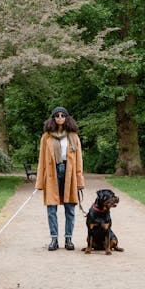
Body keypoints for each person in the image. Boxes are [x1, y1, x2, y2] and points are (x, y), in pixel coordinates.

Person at [34, 106, 85, 251]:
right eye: (57, 115)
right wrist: (39, 182)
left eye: (63, 115)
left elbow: (79, 160)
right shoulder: (47, 137)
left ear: (67, 118)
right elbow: (41, 160)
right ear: (53, 118)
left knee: (70, 208)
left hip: (69, 172)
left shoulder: (73, 136)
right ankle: (54, 239)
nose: (60, 117)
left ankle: (68, 239)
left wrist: (80, 181)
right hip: (52, 172)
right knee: (51, 208)